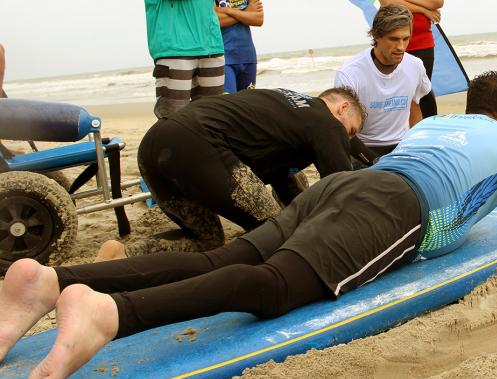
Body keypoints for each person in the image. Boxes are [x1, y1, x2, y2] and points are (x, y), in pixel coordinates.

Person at [0, 71, 497, 379]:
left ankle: (51, 280)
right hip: (396, 210)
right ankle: (111, 316)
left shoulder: (431, 129)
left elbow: (362, 166)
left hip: (339, 189)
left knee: (224, 260)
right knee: (272, 287)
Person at [122, 87, 364, 256]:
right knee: (276, 233)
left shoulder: (287, 108)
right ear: (342, 108)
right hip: (198, 141)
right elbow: (341, 189)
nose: (346, 139)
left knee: (207, 240)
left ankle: (123, 254)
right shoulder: (327, 122)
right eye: (350, 131)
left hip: (153, 144)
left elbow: (289, 185)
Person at [335, 5, 431, 161]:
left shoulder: (415, 65)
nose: (400, 47)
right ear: (376, 36)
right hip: (362, 147)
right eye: (393, 39)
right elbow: (343, 130)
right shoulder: (349, 73)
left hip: (402, 146)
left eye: (405, 39)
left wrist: (416, 144)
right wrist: (373, 161)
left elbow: (416, 103)